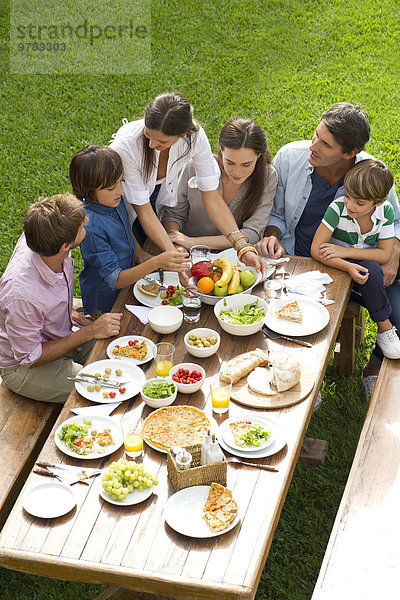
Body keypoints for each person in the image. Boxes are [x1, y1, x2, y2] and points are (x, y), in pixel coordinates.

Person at [255, 102, 400, 399]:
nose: (313, 146)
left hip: (358, 261)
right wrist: (272, 234)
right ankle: (299, 374)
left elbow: (393, 219)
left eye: (325, 144)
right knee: (275, 311)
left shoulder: (369, 173)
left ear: (349, 154)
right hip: (302, 261)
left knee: (398, 313)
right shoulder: (289, 158)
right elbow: (277, 213)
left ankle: (374, 367)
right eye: (315, 135)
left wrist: (393, 249)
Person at [110, 92, 265, 273]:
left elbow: (212, 198)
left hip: (154, 197)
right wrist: (176, 257)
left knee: (153, 260)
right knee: (125, 262)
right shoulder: (126, 146)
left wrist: (241, 246)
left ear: (183, 134)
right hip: (119, 204)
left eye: (161, 141)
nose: (151, 144)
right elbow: (143, 210)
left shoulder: (195, 137)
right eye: (148, 134)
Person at [0, 194, 122, 404]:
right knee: (103, 390)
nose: (87, 221)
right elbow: (31, 358)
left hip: (60, 335)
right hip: (24, 367)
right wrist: (90, 332)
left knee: (122, 356)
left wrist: (69, 313)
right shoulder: (22, 295)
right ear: (65, 245)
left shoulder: (44, 235)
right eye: (81, 225)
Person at [69, 145, 190, 315]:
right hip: (105, 301)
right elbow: (114, 280)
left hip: (128, 284)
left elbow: (125, 229)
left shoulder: (112, 201)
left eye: (121, 181)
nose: (120, 190)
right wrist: (154, 263)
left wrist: (140, 254)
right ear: (87, 190)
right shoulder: (92, 228)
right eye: (111, 188)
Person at [311, 159, 400, 359]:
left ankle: (381, 298)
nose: (350, 205)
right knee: (372, 271)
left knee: (376, 268)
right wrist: (347, 265)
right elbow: (316, 249)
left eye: (359, 203)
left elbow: (386, 254)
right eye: (348, 197)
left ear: (379, 201)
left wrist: (345, 252)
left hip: (351, 256)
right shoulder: (337, 209)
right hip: (335, 264)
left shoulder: (385, 212)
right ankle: (384, 327)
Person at [161, 117, 277, 251]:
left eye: (246, 165)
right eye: (230, 162)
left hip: (233, 256)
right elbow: (173, 214)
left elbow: (252, 233)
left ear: (259, 155)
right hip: (187, 253)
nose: (236, 172)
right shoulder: (196, 167)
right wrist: (177, 244)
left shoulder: (267, 176)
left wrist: (191, 242)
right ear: (221, 149)